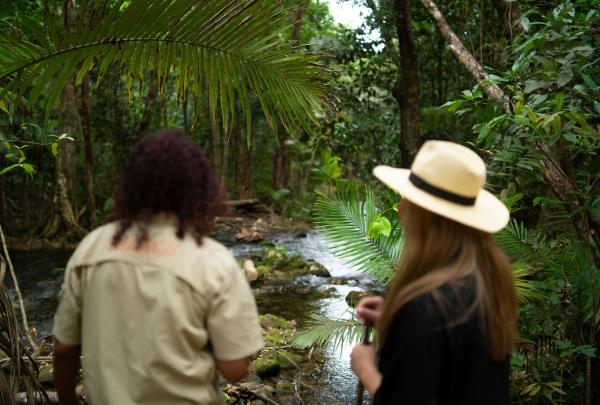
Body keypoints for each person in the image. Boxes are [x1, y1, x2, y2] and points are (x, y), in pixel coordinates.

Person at [53, 129, 263, 405]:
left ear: (131, 186)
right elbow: (235, 369)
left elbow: (64, 351)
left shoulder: (92, 248)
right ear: (198, 190)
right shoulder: (212, 261)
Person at [350, 140, 518, 404]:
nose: (401, 209)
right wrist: (394, 321)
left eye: (409, 201)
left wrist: (366, 368)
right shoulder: (489, 282)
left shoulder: (424, 305)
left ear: (427, 218)